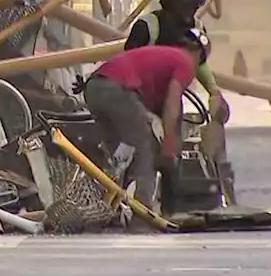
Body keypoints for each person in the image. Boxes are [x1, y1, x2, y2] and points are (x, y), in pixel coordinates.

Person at [125, 0, 233, 193]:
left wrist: (213, 92)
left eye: (193, 7)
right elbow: (128, 65)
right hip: (141, 99)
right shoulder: (148, 27)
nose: (189, 12)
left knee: (171, 155)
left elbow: (199, 63)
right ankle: (134, 200)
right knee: (143, 151)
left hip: (172, 100)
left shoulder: (196, 29)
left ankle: (172, 202)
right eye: (186, 5)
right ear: (174, 0)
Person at [82, 28, 210, 215]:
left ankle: (108, 205)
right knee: (144, 144)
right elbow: (172, 101)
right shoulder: (185, 63)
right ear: (199, 54)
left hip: (94, 88)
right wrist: (168, 142)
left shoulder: (163, 56)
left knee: (118, 155)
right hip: (118, 89)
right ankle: (143, 212)